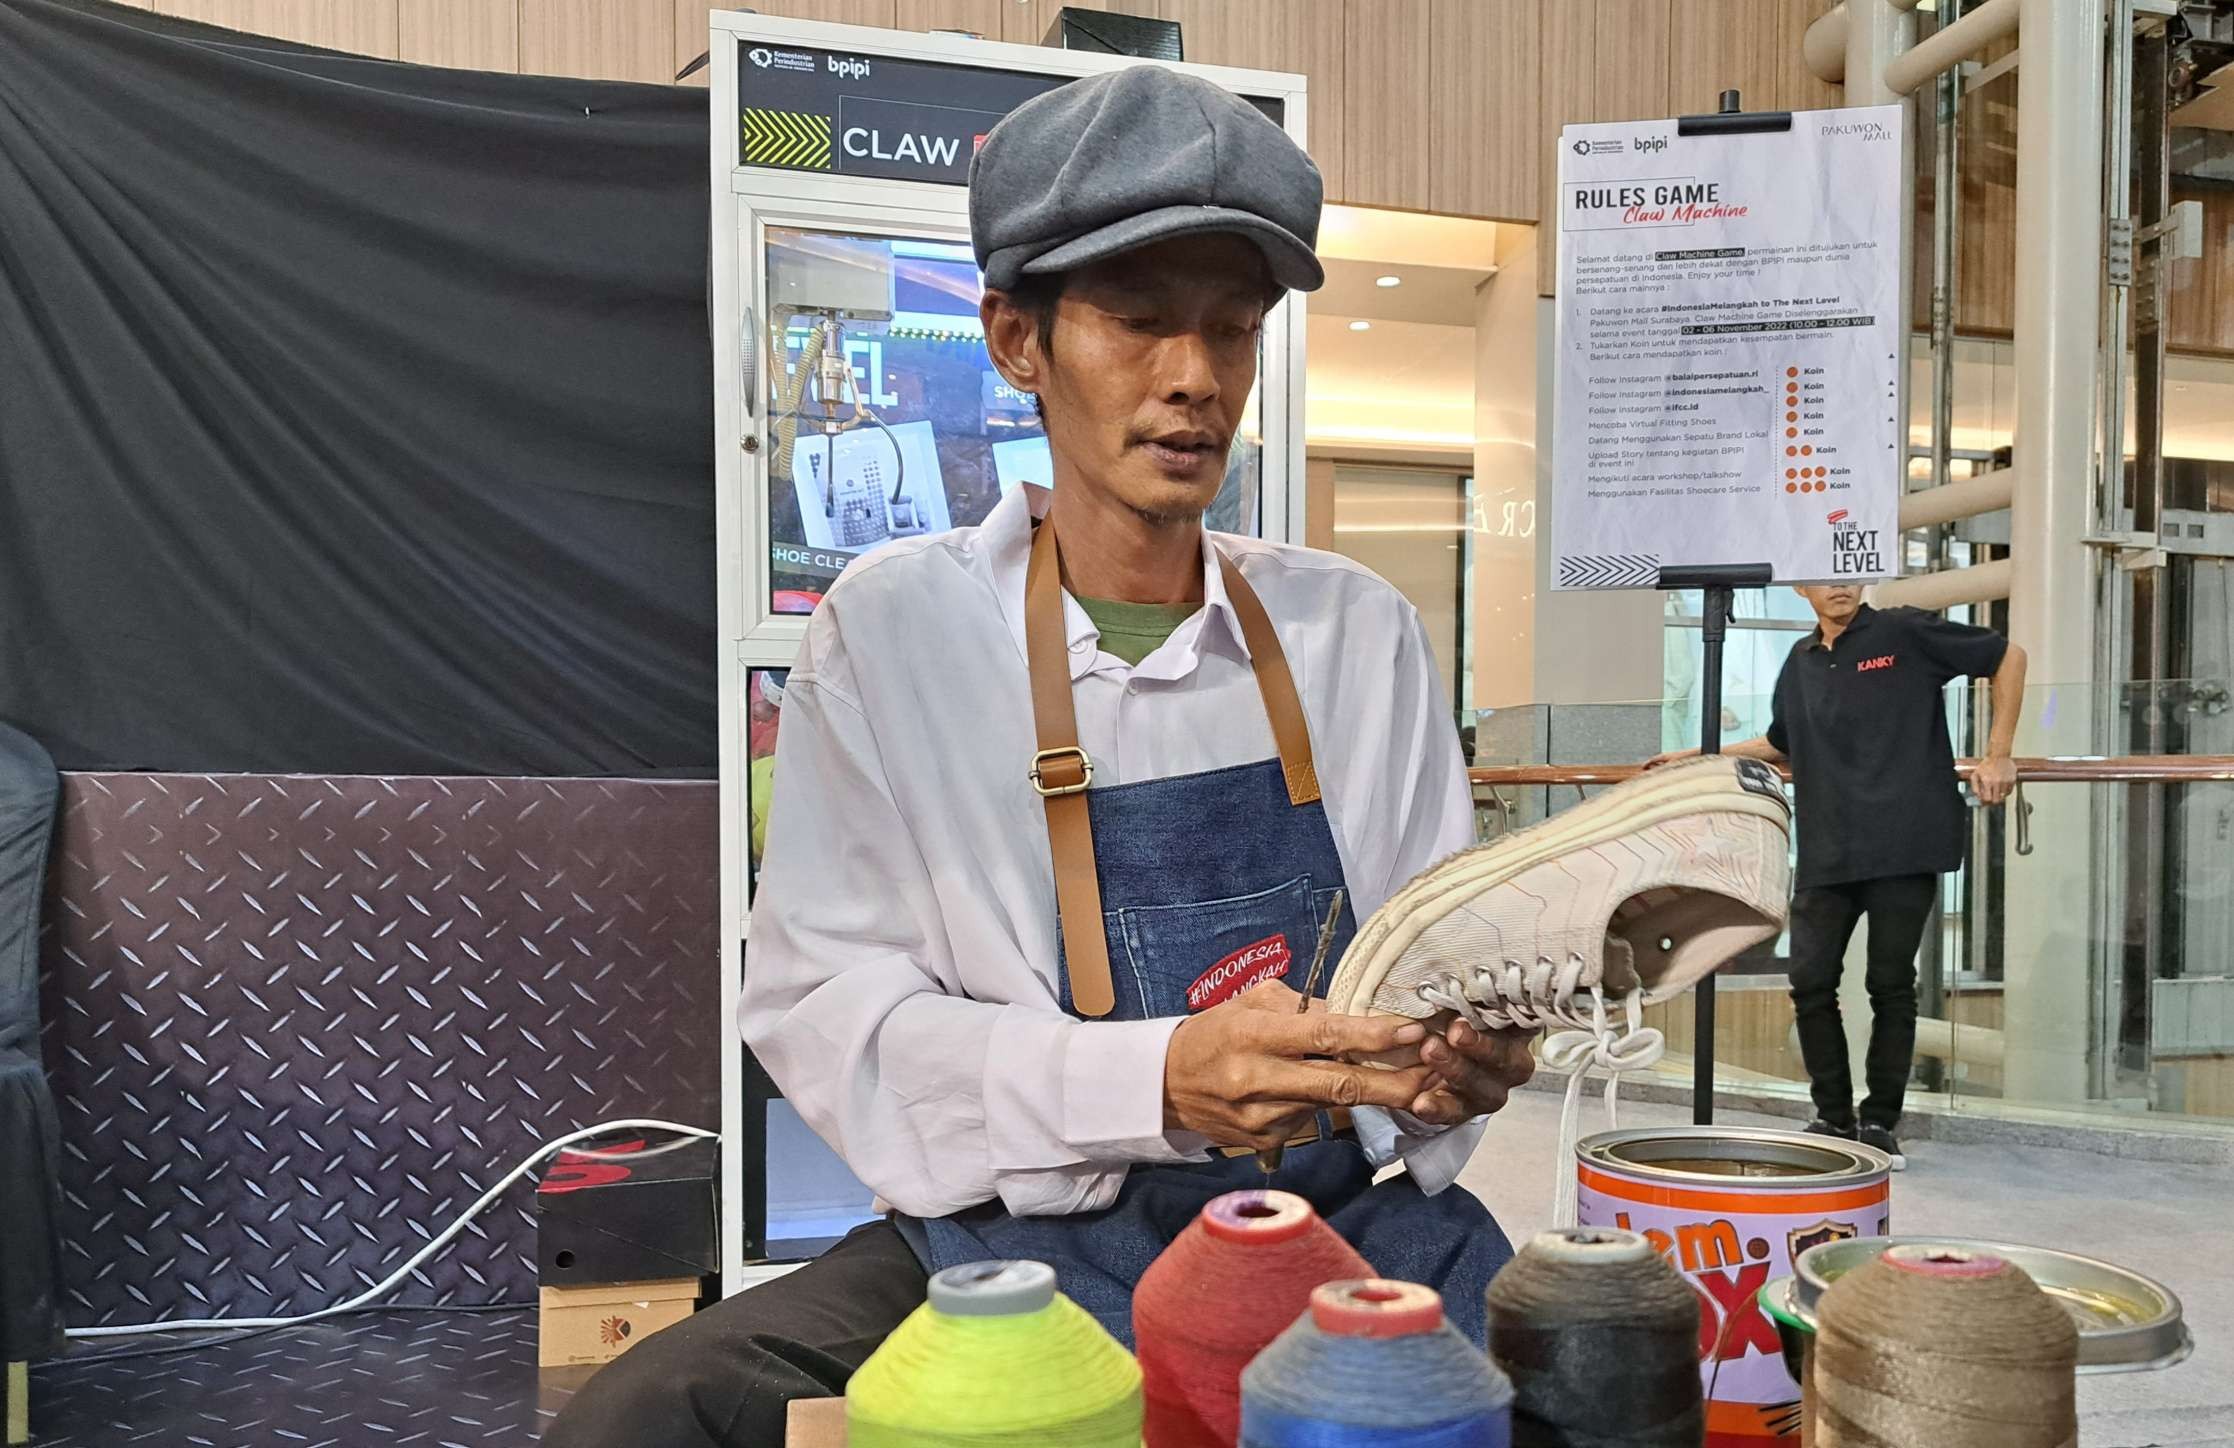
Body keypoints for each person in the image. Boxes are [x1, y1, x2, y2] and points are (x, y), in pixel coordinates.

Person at [546, 66, 1532, 1448]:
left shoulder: (1350, 631)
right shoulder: (891, 636)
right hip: (1019, 1236)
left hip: (1338, 1222)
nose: (1193, 380)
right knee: (655, 1413)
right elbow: (832, 1016)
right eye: (1135, 322)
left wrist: (1446, 1067)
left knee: (1585, 1390)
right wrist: (1152, 1081)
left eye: (1231, 331)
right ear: (1017, 338)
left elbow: (1435, 971)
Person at [1653, 583, 2027, 1168]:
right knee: (1809, 981)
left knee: (1889, 984)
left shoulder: (1903, 631)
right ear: (1802, 588)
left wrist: (1999, 751)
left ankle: (1880, 1123)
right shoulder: (1800, 661)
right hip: (1829, 847)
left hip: (1907, 840)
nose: (1839, 586)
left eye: (1848, 574)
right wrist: (1700, 757)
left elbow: (2008, 656)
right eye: (1824, 577)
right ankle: (1832, 1116)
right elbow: (1779, 744)